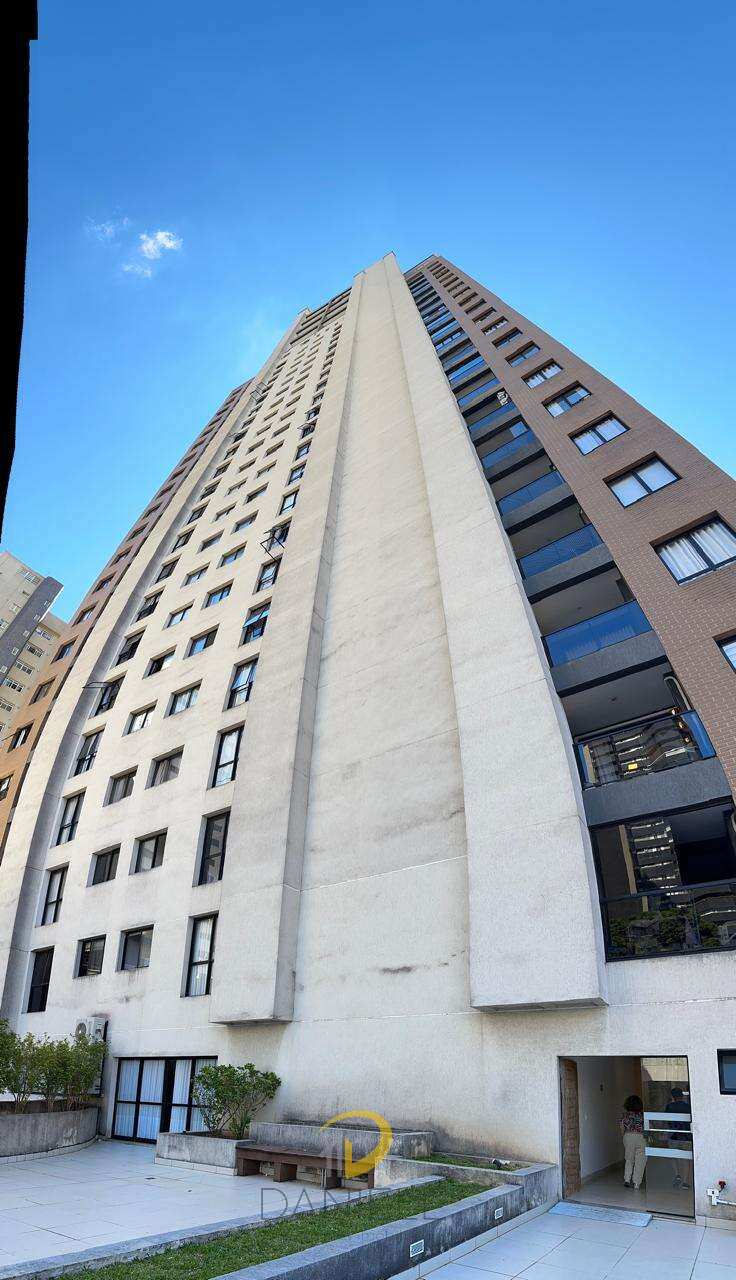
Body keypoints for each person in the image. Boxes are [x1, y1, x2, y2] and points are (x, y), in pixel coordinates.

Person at [665, 1087, 692, 1189]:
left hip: (673, 1136)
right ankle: (685, 1182)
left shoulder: (669, 1106)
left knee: (673, 1156)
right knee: (685, 1159)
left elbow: (666, 1120)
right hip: (686, 1136)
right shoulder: (688, 1106)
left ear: (672, 1096)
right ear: (682, 1095)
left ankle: (677, 1174)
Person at [620, 1094, 646, 1190]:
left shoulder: (625, 1116)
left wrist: (624, 1137)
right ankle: (636, 1183)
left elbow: (622, 1128)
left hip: (628, 1136)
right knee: (640, 1160)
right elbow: (648, 1127)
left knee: (629, 1158)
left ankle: (627, 1179)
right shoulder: (643, 1116)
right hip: (641, 1137)